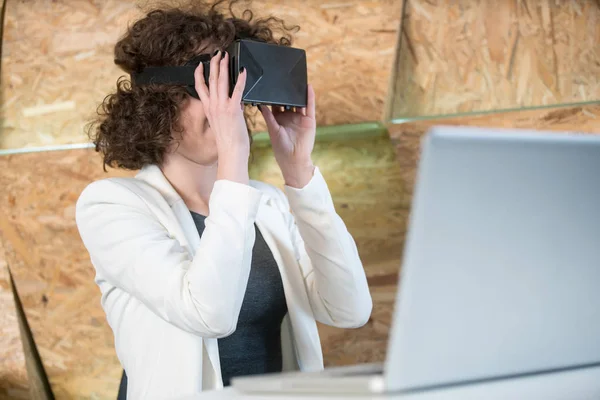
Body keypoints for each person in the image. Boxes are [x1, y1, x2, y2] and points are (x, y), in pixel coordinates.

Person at [75, 1, 372, 398]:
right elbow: (209, 313)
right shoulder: (113, 205)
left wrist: (299, 174)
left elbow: (349, 310)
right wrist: (234, 156)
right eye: (213, 86)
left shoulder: (265, 203)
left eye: (234, 86)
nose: (227, 104)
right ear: (157, 104)